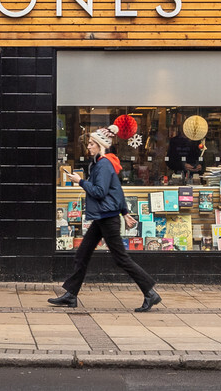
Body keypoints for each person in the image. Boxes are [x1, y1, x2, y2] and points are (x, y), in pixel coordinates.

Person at [48, 126, 161, 312]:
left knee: (121, 259)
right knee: (82, 254)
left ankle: (150, 292)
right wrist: (125, 212)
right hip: (103, 217)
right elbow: (116, 189)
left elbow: (99, 192)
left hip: (107, 219)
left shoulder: (104, 165)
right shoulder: (103, 164)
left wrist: (80, 182)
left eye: (92, 144)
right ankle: (71, 295)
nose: (88, 147)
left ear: (100, 146)